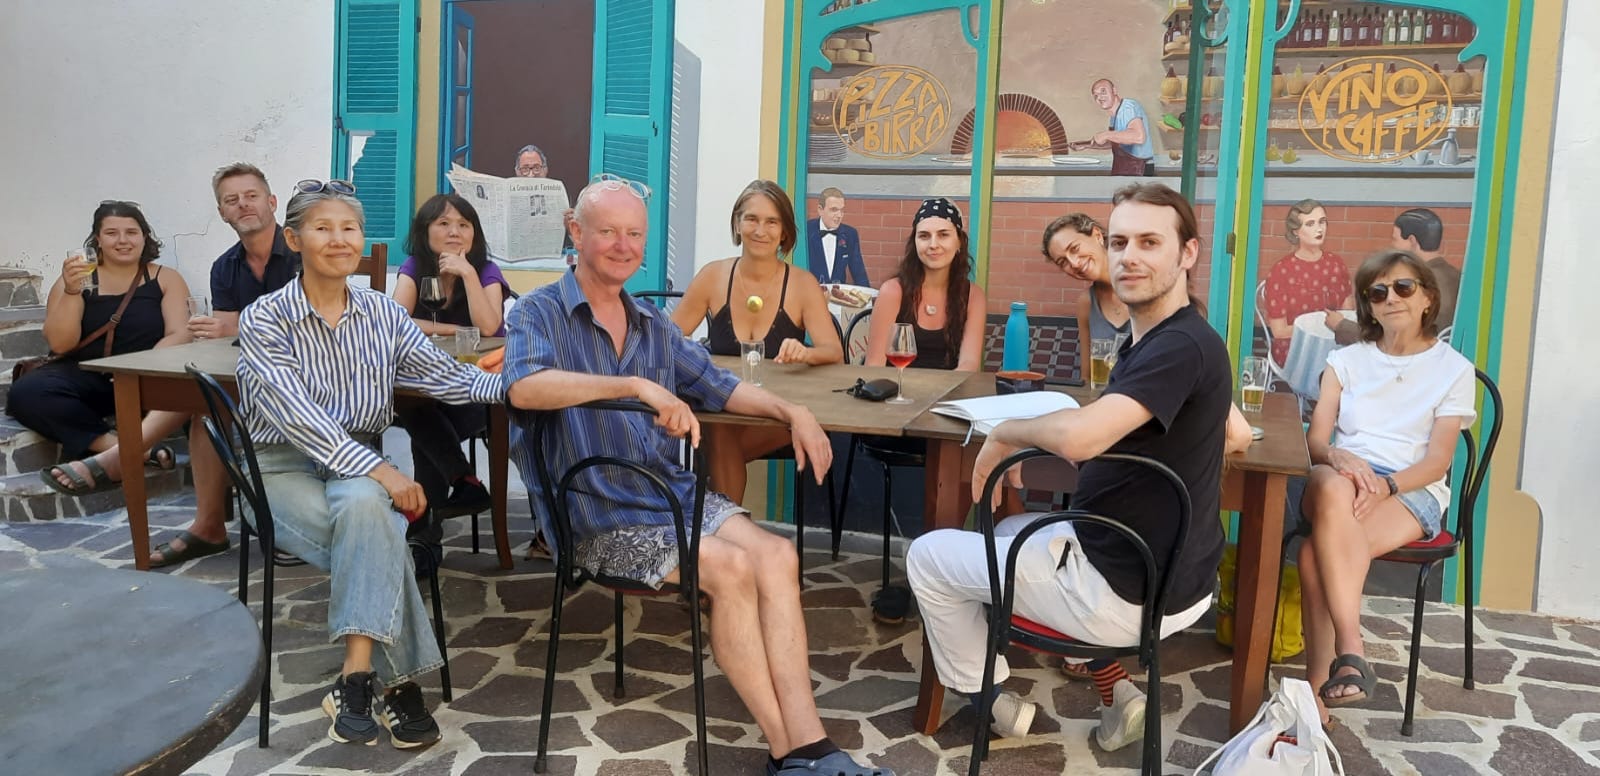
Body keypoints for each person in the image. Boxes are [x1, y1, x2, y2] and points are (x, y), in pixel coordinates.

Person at [504, 177, 894, 776]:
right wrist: (633, 385)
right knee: (731, 567)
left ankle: (813, 742)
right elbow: (525, 388)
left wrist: (794, 412)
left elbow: (721, 386)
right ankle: (787, 753)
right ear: (575, 231)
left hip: (671, 496)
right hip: (597, 511)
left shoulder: (652, 324)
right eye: (607, 231)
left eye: (633, 234)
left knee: (778, 556)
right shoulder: (539, 311)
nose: (621, 245)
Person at [906, 183, 1252, 751]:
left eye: (1149, 242)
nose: (1128, 256)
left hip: (1123, 590)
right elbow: (1229, 432)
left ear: (1187, 253)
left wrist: (1004, 433)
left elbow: (1085, 438)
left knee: (928, 557)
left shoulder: (1180, 346)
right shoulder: (1173, 338)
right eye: (1120, 242)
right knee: (1018, 530)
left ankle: (991, 702)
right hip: (1166, 575)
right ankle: (1119, 699)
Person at [237, 179, 503, 750]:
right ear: (294, 238)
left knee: (367, 510)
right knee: (379, 519)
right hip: (282, 469)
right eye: (322, 227)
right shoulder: (265, 319)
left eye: (349, 228)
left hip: (355, 475)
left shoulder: (382, 313)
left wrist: (517, 387)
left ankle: (355, 677)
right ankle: (401, 683)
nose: (339, 239)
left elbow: (447, 375)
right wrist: (385, 471)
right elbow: (298, 418)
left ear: (363, 239)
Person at [1296, 250, 1475, 724]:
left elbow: (1438, 462)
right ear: (1368, 307)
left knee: (1316, 555)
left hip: (1410, 487)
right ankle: (1352, 650)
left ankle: (1321, 693)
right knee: (1333, 487)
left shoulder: (1453, 369)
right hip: (1339, 475)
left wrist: (1387, 485)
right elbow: (1316, 440)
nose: (1390, 298)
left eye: (1403, 288)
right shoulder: (1345, 360)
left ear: (1427, 298)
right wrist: (1339, 455)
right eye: (1378, 292)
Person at [9, 201, 235, 566]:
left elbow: (179, 334)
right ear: (97, 239)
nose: (122, 241)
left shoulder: (163, 278)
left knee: (189, 391)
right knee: (27, 392)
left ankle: (118, 453)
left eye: (131, 232)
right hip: (88, 374)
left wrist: (143, 367)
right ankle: (127, 448)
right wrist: (70, 292)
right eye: (111, 233)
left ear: (145, 237)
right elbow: (61, 344)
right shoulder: (78, 280)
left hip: (147, 374)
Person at [671, 180, 843, 503]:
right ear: (737, 223)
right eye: (751, 219)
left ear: (784, 232)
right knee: (718, 427)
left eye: (771, 221)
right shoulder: (713, 277)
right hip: (725, 409)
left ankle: (724, 532)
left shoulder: (802, 284)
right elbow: (666, 338)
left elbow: (834, 352)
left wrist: (805, 352)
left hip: (779, 416)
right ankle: (731, 530)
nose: (760, 230)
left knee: (715, 436)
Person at [391, 193, 511, 531]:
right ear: (424, 232)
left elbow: (488, 326)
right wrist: (450, 328)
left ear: (475, 234)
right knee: (418, 410)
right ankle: (462, 483)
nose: (454, 231)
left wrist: (468, 274)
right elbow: (395, 320)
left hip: (476, 396)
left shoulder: (486, 271)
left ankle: (424, 536)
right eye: (443, 223)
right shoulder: (415, 267)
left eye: (463, 224)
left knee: (423, 426)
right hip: (427, 391)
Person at [862, 197, 987, 372]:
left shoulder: (973, 296)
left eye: (943, 235)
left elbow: (969, 365)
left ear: (959, 241)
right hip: (893, 391)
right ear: (915, 242)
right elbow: (874, 365)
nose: (933, 245)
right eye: (924, 236)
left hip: (947, 392)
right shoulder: (893, 291)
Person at [189, 162, 301, 340]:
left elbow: (314, 330)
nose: (242, 204)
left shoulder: (304, 254)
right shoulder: (223, 267)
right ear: (222, 213)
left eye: (251, 196)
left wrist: (233, 332)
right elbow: (225, 337)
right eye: (231, 200)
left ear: (272, 203)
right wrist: (219, 331)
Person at [1329, 208, 1460, 344]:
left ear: (1412, 241)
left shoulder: (1415, 285)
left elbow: (1393, 340)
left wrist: (1341, 325)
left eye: (1395, 239)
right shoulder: (1457, 278)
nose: (1392, 246)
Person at [1262, 198, 1353, 366]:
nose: (1319, 229)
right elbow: (1279, 331)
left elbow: (1347, 315)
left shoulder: (1336, 264)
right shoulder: (1282, 270)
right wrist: (1316, 329)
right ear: (1296, 231)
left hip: (1333, 343)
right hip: (1297, 346)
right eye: (1310, 224)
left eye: (1322, 222)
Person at [1041, 212, 1131, 377]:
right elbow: (1087, 376)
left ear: (1097, 235)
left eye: (1075, 248)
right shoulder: (1086, 303)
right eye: (1063, 262)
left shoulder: (1144, 287)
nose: (1074, 263)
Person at [1089, 79, 1155, 176]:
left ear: (1114, 91)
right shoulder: (1114, 115)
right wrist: (1087, 145)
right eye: (1096, 95)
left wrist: (1105, 134)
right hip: (1124, 167)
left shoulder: (1128, 107)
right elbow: (1118, 142)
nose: (1099, 97)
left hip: (1138, 168)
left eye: (1103, 91)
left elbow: (1138, 137)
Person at [805, 187, 868, 286]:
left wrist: (867, 298)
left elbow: (859, 272)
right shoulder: (806, 231)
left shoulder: (850, 234)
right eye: (834, 210)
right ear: (820, 210)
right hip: (809, 295)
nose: (839, 215)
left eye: (842, 210)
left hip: (837, 296)